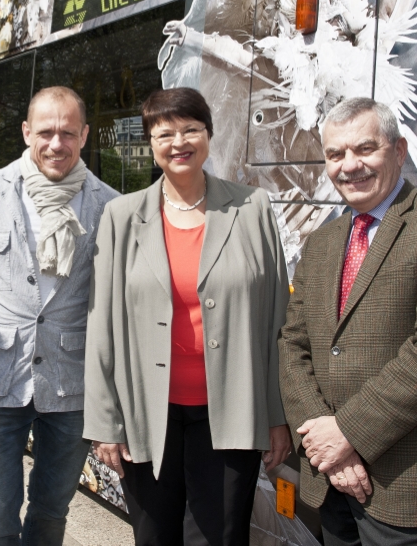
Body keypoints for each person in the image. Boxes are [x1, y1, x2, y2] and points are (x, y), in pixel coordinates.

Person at [279, 97, 417, 545]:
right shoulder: (321, 242)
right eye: (336, 154)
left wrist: (346, 434)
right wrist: (324, 443)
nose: (349, 165)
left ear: (398, 151)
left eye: (364, 149)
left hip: (411, 480)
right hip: (330, 476)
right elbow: (292, 345)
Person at [83, 86, 291, 546]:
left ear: (209, 136)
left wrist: (278, 416)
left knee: (220, 538)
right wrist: (104, 423)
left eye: (190, 130)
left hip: (232, 411)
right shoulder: (121, 216)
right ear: (151, 145)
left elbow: (278, 319)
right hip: (145, 414)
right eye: (164, 133)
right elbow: (101, 328)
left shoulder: (251, 208)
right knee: (154, 537)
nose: (179, 142)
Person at [0, 86, 119, 546]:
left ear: (84, 135)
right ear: (27, 132)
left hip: (72, 384)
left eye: (67, 132)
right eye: (45, 131)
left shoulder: (110, 205)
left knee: (50, 514)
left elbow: (116, 301)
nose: (55, 143)